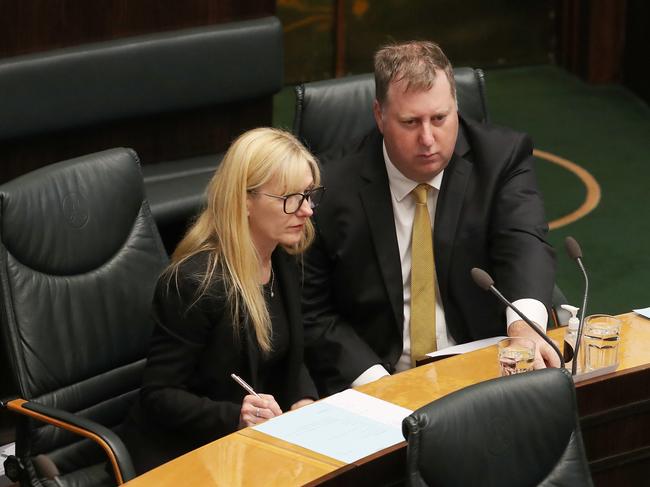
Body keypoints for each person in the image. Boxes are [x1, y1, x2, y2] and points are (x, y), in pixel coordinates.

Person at [302, 41, 558, 396]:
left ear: (456, 106)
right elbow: (313, 311)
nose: (428, 139)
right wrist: (380, 388)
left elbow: (524, 243)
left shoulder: (500, 159)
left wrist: (525, 329)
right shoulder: (328, 186)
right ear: (379, 116)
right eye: (410, 122)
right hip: (380, 378)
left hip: (483, 371)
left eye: (440, 118)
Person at [124, 127, 324, 473]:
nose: (306, 210)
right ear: (246, 200)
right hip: (191, 453)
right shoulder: (194, 283)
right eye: (291, 198)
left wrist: (303, 399)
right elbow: (159, 395)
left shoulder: (283, 255)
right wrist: (235, 416)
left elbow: (290, 356)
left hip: (259, 446)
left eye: (309, 194)